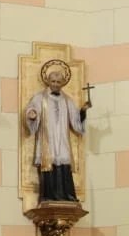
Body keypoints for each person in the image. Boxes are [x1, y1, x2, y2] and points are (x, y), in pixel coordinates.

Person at [24, 60, 89, 203]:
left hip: (62, 140)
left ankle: (67, 195)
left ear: (62, 83)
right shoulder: (40, 98)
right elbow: (31, 110)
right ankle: (48, 196)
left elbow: (76, 121)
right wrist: (32, 115)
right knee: (49, 163)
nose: (55, 84)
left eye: (58, 82)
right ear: (48, 81)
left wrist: (83, 111)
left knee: (64, 165)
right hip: (48, 139)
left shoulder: (67, 100)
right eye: (53, 81)